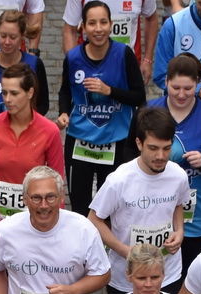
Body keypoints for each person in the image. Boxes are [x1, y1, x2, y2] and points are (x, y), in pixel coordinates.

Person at [58, 5, 146, 216]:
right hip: (80, 140)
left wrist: (109, 91)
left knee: (113, 208)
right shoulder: (73, 57)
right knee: (80, 208)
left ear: (111, 25)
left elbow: (139, 96)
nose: (98, 29)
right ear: (83, 28)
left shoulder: (124, 54)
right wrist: (63, 112)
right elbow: (64, 91)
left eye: (103, 22)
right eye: (92, 23)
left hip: (115, 142)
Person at [88, 111, 188, 294]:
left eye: (166, 148)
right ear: (139, 143)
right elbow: (94, 219)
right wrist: (125, 251)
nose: (160, 156)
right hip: (126, 277)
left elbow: (178, 204)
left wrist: (180, 231)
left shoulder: (179, 175)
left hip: (167, 274)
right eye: (153, 148)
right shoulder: (118, 180)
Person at [149, 56, 201, 272]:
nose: (181, 94)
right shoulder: (150, 111)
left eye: (188, 88)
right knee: (154, 273)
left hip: (197, 215)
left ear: (198, 84)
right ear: (166, 82)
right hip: (154, 210)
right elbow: (131, 154)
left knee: (188, 276)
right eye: (175, 87)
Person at [0, 62, 63, 220]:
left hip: (33, 216)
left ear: (30, 93)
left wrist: (58, 220)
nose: (7, 99)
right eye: (4, 93)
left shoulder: (50, 131)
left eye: (14, 93)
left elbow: (57, 181)